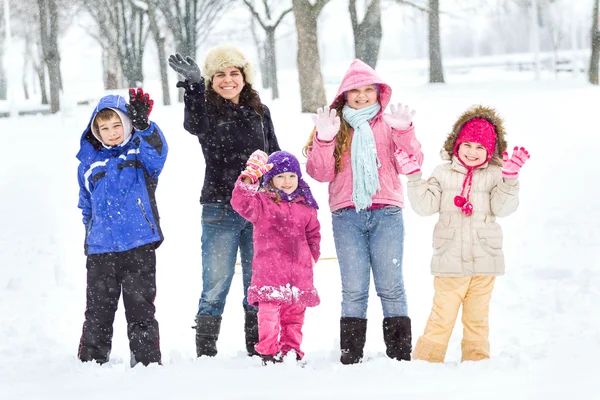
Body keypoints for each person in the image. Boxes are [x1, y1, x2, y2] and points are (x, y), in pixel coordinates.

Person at [304, 59, 423, 364]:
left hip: (387, 213)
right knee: (354, 288)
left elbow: (411, 162)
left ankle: (399, 354)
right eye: (354, 90)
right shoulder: (335, 126)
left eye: (368, 89)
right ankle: (351, 354)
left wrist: (403, 132)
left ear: (378, 92)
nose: (361, 96)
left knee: (391, 286)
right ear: (344, 94)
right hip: (347, 215)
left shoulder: (389, 124)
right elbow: (320, 172)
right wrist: (325, 139)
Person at [168, 45, 280, 357]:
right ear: (211, 79)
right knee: (216, 284)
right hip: (220, 208)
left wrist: (286, 195)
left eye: (234, 73)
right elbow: (193, 125)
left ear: (245, 77)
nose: (227, 80)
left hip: (258, 209)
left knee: (256, 283)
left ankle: (258, 346)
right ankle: (206, 351)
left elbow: (273, 154)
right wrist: (192, 86)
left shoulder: (260, 111)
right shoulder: (206, 109)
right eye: (219, 74)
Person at [400, 105, 530, 362]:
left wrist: (510, 180)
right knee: (442, 316)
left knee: (477, 319)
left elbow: (503, 209)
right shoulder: (443, 173)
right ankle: (427, 361)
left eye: (480, 147)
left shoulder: (496, 175)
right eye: (467, 145)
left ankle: (477, 361)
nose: (472, 152)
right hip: (450, 262)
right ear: (456, 145)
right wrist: (415, 179)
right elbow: (425, 207)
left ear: (490, 151)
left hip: (484, 262)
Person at [76, 89, 167, 367]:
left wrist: (145, 127)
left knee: (140, 307)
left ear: (127, 124)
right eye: (104, 128)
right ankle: (91, 359)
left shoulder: (140, 155)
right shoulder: (90, 164)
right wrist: (91, 234)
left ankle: (146, 361)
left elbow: (158, 151)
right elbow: (86, 204)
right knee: (98, 310)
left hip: (138, 244)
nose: (112, 133)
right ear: (96, 131)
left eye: (117, 125)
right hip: (101, 249)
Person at [230, 150, 321, 364]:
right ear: (270, 179)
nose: (287, 181)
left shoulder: (305, 205)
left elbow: (313, 234)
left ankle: (291, 350)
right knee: (268, 316)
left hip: (299, 273)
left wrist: (312, 255)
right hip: (269, 271)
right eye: (280, 176)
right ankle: (268, 352)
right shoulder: (262, 202)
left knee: (294, 317)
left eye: (292, 176)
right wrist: (248, 179)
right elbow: (240, 202)